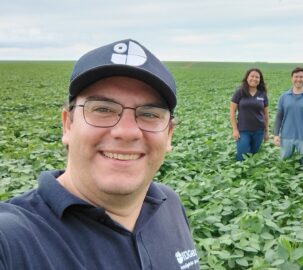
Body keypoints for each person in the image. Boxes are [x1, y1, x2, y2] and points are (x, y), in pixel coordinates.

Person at [0, 39, 200, 270]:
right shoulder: (12, 240)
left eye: (149, 114)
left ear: (169, 135)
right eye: (103, 109)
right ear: (68, 125)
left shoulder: (170, 204)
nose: (126, 132)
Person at [273, 67, 303, 167]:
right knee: (284, 163)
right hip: (286, 137)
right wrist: (276, 134)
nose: (298, 79)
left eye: (301, 77)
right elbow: (278, 117)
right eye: (296, 77)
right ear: (292, 78)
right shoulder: (284, 97)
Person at [229, 68, 269, 161]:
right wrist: (235, 130)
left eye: (257, 77)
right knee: (241, 156)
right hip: (243, 130)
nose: (254, 79)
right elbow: (232, 112)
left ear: (260, 80)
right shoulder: (240, 92)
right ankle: (240, 174)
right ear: (247, 78)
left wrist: (266, 132)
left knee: (254, 156)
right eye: (252, 76)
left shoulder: (262, 94)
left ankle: (251, 174)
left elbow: (266, 115)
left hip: (259, 130)